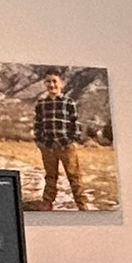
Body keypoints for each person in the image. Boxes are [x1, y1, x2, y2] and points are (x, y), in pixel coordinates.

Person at [32, 71, 85, 209]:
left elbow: (75, 122)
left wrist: (72, 140)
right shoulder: (41, 104)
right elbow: (38, 124)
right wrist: (40, 142)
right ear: (45, 84)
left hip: (66, 146)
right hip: (48, 146)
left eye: (54, 81)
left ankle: (82, 204)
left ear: (61, 83)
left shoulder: (68, 102)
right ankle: (47, 202)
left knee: (74, 176)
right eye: (48, 81)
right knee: (50, 176)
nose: (52, 84)